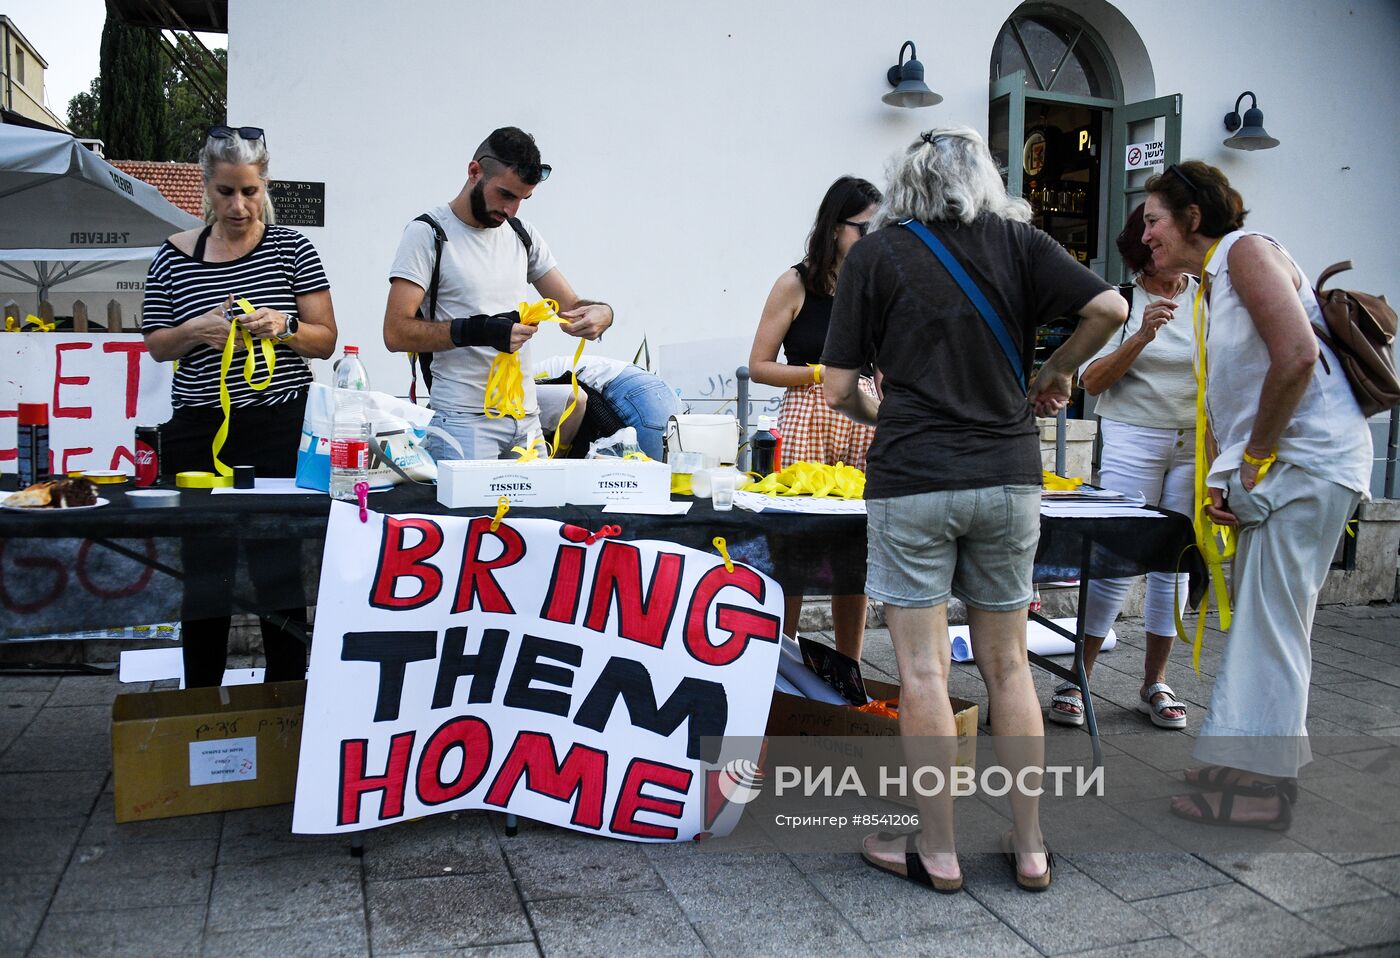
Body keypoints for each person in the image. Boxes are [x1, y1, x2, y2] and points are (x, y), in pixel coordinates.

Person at [823, 127, 1127, 892]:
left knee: (923, 669)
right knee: (1008, 666)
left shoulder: (876, 254)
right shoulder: (1019, 243)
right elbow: (1110, 306)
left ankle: (940, 852)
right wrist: (1056, 370)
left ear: (906, 184)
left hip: (914, 477)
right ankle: (1029, 849)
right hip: (1007, 474)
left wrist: (880, 414)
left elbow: (837, 387)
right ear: (984, 180)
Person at [1140, 161, 1372, 829]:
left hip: (1303, 466)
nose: (1146, 234)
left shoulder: (1244, 252)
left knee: (1269, 629)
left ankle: (1255, 789)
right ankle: (1257, 771)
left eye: (1154, 219)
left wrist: (1254, 465)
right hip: (1295, 468)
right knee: (1274, 625)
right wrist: (1235, 474)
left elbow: (1296, 355)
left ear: (1191, 216)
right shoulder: (1220, 275)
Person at [142, 125, 338, 687]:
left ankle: (283, 710)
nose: (238, 205)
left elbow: (325, 339)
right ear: (206, 186)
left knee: (278, 573)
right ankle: (199, 709)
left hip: (279, 428)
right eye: (226, 191)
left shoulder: (292, 247)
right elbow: (157, 345)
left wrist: (284, 326)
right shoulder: (172, 256)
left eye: (249, 191)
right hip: (199, 430)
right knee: (206, 576)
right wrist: (194, 331)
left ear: (264, 184)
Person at [1046, 203, 1197, 731]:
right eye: (1158, 242)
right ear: (1142, 249)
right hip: (1136, 437)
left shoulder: (1209, 299)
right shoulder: (1123, 302)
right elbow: (1092, 381)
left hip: (1194, 443)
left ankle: (1155, 681)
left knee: (1174, 564)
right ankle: (1077, 677)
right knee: (1114, 561)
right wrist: (1140, 337)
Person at [383, 127, 612, 459]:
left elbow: (571, 306)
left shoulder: (521, 233)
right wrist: (479, 330)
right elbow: (395, 332)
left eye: (522, 199)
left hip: (526, 418)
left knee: (537, 513)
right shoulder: (428, 233)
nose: (511, 210)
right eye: (506, 194)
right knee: (471, 513)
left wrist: (602, 313)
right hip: (462, 420)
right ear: (474, 171)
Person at [747, 176, 882, 661]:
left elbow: (883, 359)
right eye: (864, 228)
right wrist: (818, 372)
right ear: (834, 227)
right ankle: (781, 662)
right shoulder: (796, 282)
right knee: (797, 547)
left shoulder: (874, 283)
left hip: (863, 412)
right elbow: (759, 365)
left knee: (857, 550)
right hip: (809, 410)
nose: (873, 237)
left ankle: (850, 668)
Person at [534, 355, 682, 460]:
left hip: (635, 396)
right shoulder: (535, 372)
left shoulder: (520, 390)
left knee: (640, 490)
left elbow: (577, 399)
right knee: (655, 488)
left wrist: (558, 453)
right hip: (661, 392)